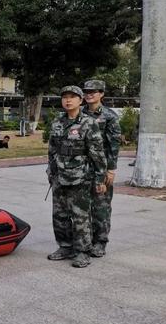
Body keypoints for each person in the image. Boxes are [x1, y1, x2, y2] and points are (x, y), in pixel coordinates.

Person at [47, 85, 106, 268]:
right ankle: (65, 247)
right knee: (59, 215)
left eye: (73, 97)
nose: (68, 100)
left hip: (80, 177)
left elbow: (98, 153)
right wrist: (51, 171)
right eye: (65, 97)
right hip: (59, 177)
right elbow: (52, 149)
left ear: (80, 101)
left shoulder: (89, 123)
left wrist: (100, 178)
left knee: (80, 216)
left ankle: (82, 251)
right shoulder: (57, 122)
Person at [82, 80, 121, 258]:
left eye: (93, 91)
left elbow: (114, 145)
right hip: (80, 168)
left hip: (101, 168)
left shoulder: (109, 116)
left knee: (101, 206)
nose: (89, 94)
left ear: (101, 94)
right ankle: (86, 240)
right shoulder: (78, 113)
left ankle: (100, 242)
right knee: (83, 207)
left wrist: (111, 170)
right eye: (86, 91)